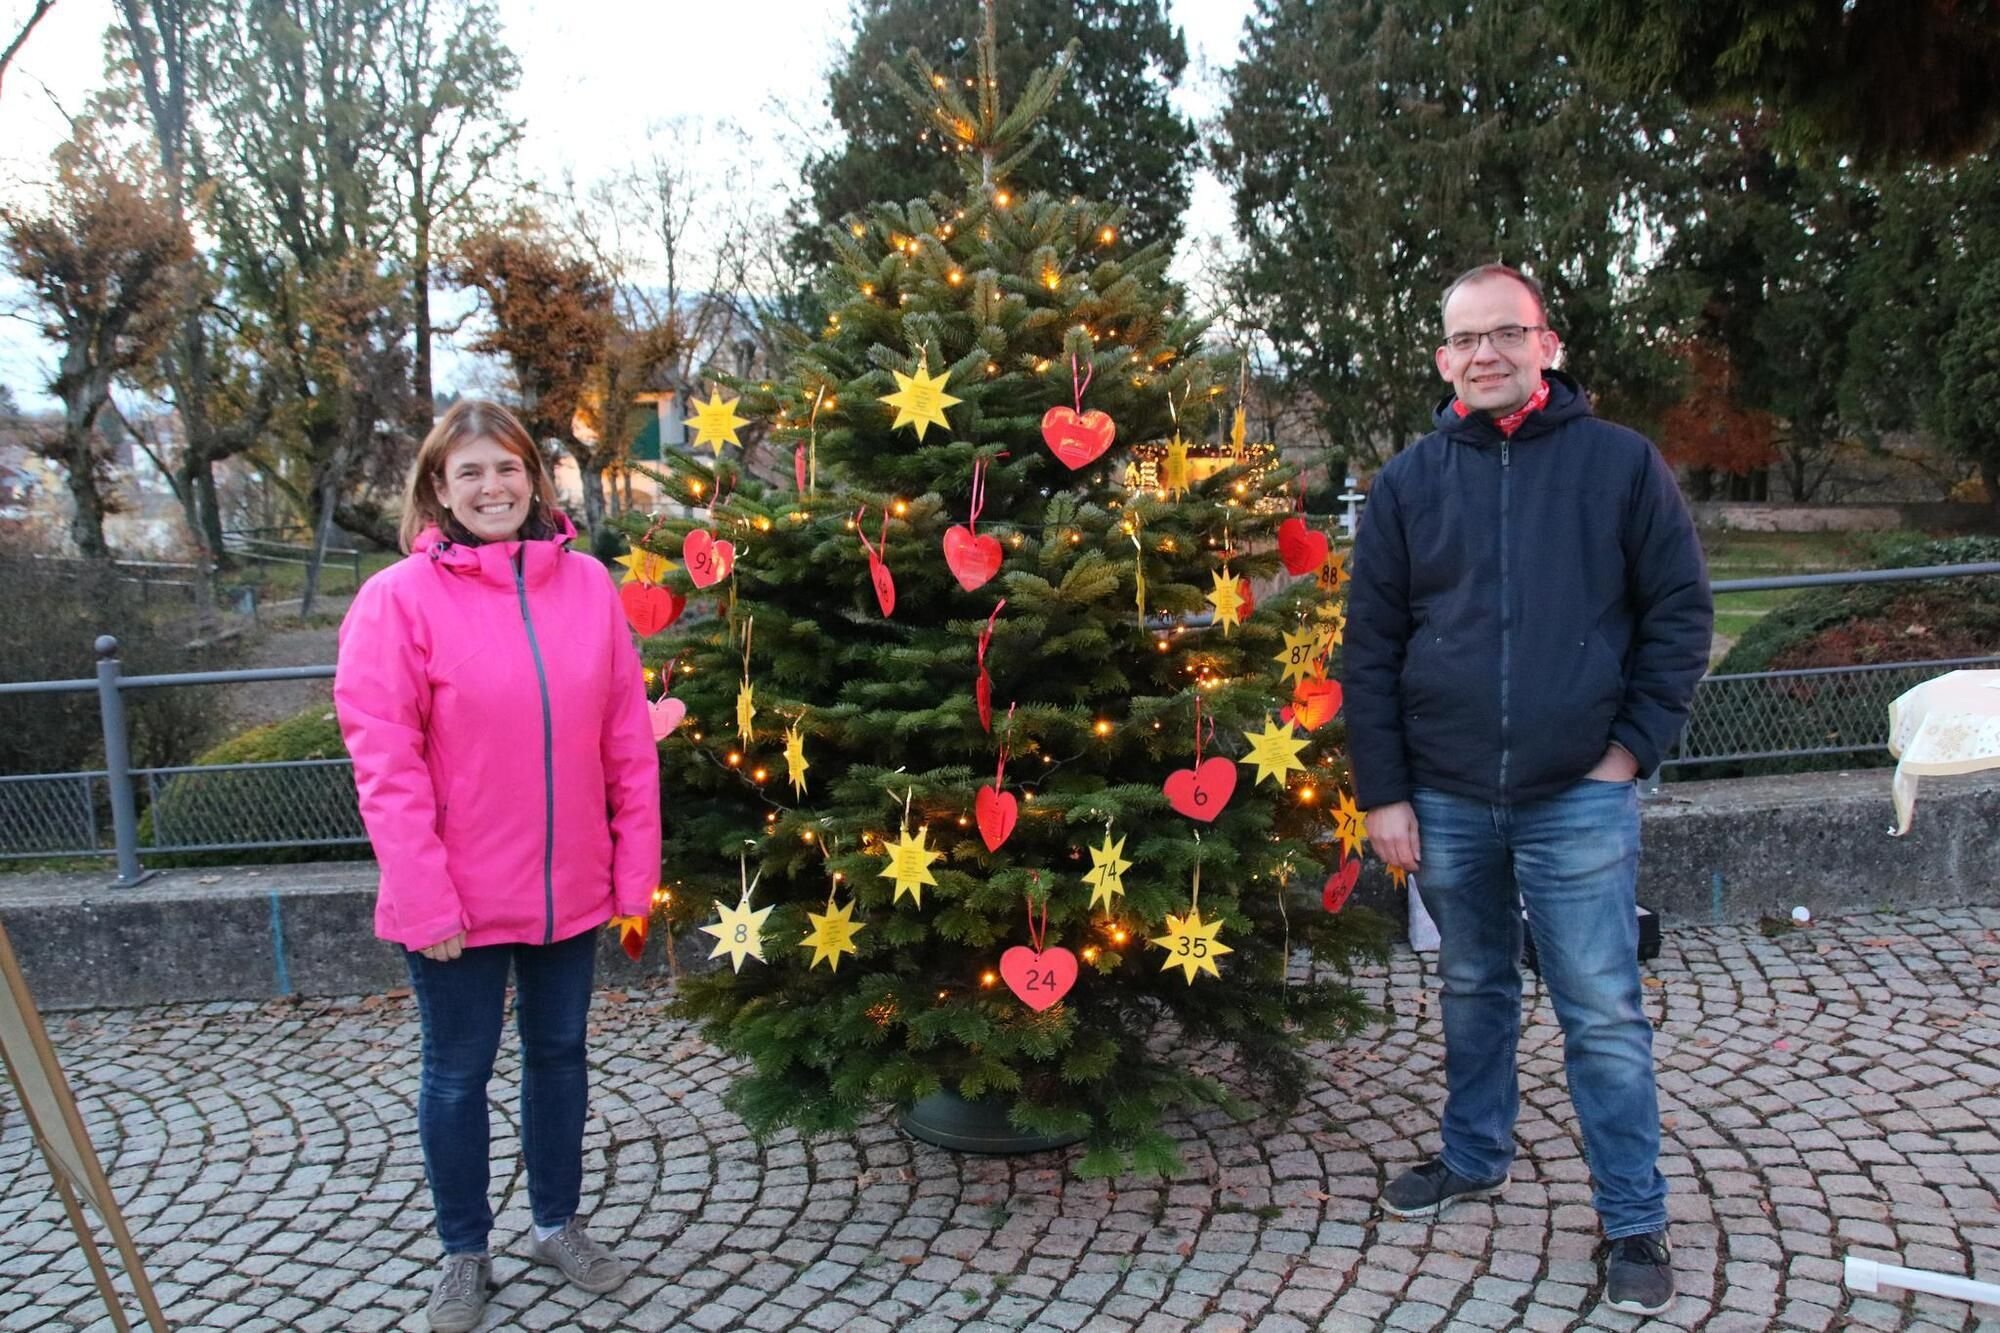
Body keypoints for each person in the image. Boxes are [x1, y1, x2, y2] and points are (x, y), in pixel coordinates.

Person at [1341, 263, 1712, 1317]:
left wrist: (1628, 751)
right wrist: (1384, 791)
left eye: (1506, 332)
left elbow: (1678, 615)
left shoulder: (1619, 465)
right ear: (1441, 360)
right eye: (1464, 339)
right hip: (1446, 794)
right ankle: (1473, 1153)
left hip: (1577, 791)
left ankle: (1632, 1218)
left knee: (1599, 1010)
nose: (1485, 354)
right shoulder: (1409, 482)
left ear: (1547, 343)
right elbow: (1367, 648)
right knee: (1470, 987)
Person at [335, 399, 661, 1332]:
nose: (493, 486)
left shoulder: (589, 585)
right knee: (457, 1072)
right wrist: (424, 896)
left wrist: (632, 870)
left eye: (508, 467)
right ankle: (463, 1248)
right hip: (458, 899)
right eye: (470, 471)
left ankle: (557, 1223)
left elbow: (625, 739)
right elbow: (385, 762)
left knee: (559, 1058)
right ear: (439, 488)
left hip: (570, 886)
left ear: (536, 479)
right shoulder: (396, 600)